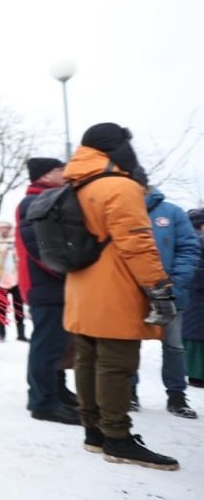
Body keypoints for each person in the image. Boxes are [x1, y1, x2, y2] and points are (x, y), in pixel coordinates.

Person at [63, 123, 178, 470]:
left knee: (87, 360)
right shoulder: (119, 186)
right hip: (114, 289)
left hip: (81, 288)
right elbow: (138, 243)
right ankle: (118, 438)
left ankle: (94, 431)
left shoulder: (75, 184)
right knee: (116, 365)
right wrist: (159, 288)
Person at [16, 157, 80, 425]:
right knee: (46, 344)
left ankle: (57, 390)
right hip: (45, 284)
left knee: (58, 343)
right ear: (44, 176)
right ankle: (43, 401)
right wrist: (65, 271)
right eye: (59, 169)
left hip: (52, 284)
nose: (65, 173)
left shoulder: (48, 198)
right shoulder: (33, 202)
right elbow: (39, 245)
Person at [133, 184, 200, 418]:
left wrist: (175, 281)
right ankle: (129, 393)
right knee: (129, 344)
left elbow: (189, 248)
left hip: (170, 293)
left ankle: (176, 396)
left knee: (174, 346)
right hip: (131, 293)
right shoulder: (123, 210)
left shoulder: (172, 212)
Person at [0, 219, 27, 341]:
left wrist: (16, 254)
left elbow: (23, 256)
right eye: (2, 228)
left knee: (19, 306)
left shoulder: (17, 239)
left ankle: (21, 334)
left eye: (7, 227)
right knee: (1, 307)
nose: (4, 230)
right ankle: (1, 333)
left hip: (16, 278)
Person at [185, 208, 204, 388]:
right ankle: (197, 376)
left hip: (193, 299)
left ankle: (196, 375)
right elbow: (194, 272)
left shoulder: (189, 239)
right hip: (197, 299)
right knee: (197, 339)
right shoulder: (197, 241)